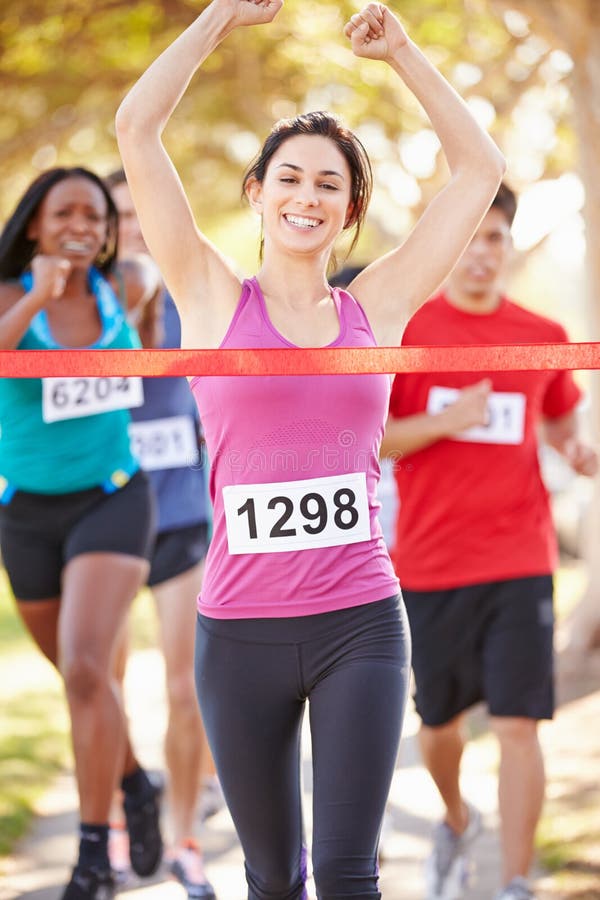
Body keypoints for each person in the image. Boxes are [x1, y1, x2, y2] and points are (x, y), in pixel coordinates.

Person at [115, 0, 505, 896]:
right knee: (273, 879)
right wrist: (217, 18)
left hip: (360, 621)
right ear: (258, 192)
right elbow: (137, 126)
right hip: (239, 630)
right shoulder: (211, 298)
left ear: (350, 209)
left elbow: (480, 168)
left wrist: (402, 52)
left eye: (329, 185)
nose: (307, 197)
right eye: (289, 178)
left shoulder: (380, 306)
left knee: (344, 872)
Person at [381, 182, 598, 900]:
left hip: (520, 558)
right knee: (440, 726)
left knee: (518, 724)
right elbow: (372, 439)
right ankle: (454, 817)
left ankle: (513, 881)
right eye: (469, 238)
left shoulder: (542, 335)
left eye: (495, 237)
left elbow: (560, 414)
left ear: (508, 245)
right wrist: (448, 420)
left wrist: (575, 450)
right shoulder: (408, 329)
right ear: (447, 245)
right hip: (431, 562)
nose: (481, 253)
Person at [0, 166, 166, 899]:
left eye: (94, 215)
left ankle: (92, 858)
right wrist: (39, 292)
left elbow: (155, 297)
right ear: (33, 223)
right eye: (64, 211)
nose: (82, 225)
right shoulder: (9, 296)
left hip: (114, 497)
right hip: (25, 511)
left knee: (84, 664)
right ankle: (135, 779)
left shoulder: (122, 284)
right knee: (82, 680)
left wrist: (150, 324)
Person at [105, 168, 219, 899]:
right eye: (119, 217)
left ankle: (185, 836)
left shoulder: (194, 301)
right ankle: (121, 818)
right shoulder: (83, 311)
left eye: (142, 213)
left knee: (187, 684)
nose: (134, 229)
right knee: (102, 684)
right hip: (105, 519)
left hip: (181, 518)